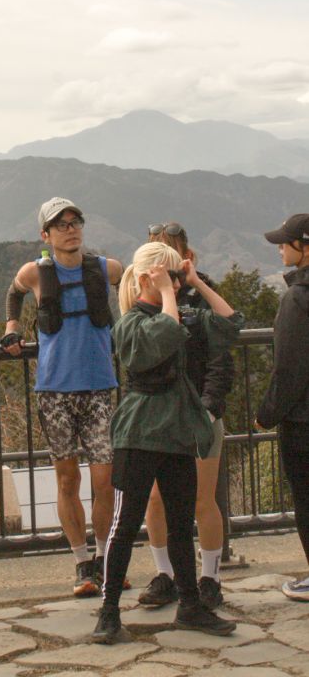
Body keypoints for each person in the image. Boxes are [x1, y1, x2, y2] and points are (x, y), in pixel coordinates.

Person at [92, 241, 242, 644]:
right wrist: (167, 293)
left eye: (176, 275)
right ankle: (108, 613)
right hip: (139, 434)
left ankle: (190, 605)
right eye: (167, 276)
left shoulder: (185, 313)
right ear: (146, 279)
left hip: (177, 432)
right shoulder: (128, 323)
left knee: (180, 523)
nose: (174, 282)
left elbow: (231, 324)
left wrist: (196, 282)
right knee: (126, 525)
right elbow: (164, 336)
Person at [2, 197, 123, 597]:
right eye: (61, 224)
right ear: (46, 235)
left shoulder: (106, 269)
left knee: (105, 480)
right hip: (54, 390)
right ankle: (81, 563)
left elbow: (135, 286)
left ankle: (106, 558)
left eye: (75, 222)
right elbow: (13, 293)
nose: (70, 229)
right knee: (67, 478)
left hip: (100, 388)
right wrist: (12, 327)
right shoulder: (35, 272)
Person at [138, 222, 234, 611]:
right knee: (156, 499)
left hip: (198, 413)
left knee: (202, 499)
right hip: (160, 417)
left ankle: (209, 577)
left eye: (169, 252)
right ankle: (167, 575)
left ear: (185, 256)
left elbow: (220, 356)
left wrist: (210, 408)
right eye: (155, 252)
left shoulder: (201, 294)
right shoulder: (142, 296)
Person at [256, 213, 309, 602]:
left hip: (303, 421)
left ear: (304, 247)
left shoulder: (297, 299)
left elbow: (288, 367)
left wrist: (266, 414)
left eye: (285, 242)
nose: (279, 247)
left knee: (306, 498)